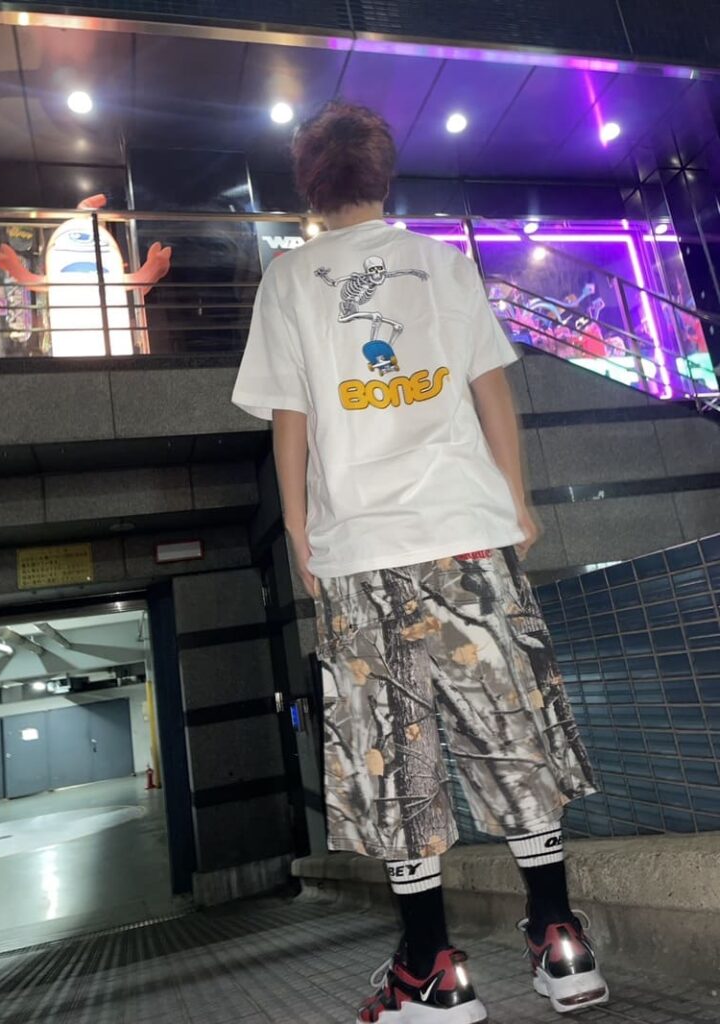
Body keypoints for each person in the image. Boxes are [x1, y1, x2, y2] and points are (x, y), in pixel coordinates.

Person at [232, 102, 608, 1023]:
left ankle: (433, 968)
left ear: (309, 184)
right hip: (468, 532)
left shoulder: (289, 278)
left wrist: (299, 532)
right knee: (511, 728)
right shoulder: (444, 263)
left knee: (395, 752)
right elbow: (491, 391)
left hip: (361, 551)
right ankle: (558, 936)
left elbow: (292, 420)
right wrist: (517, 502)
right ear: (383, 175)